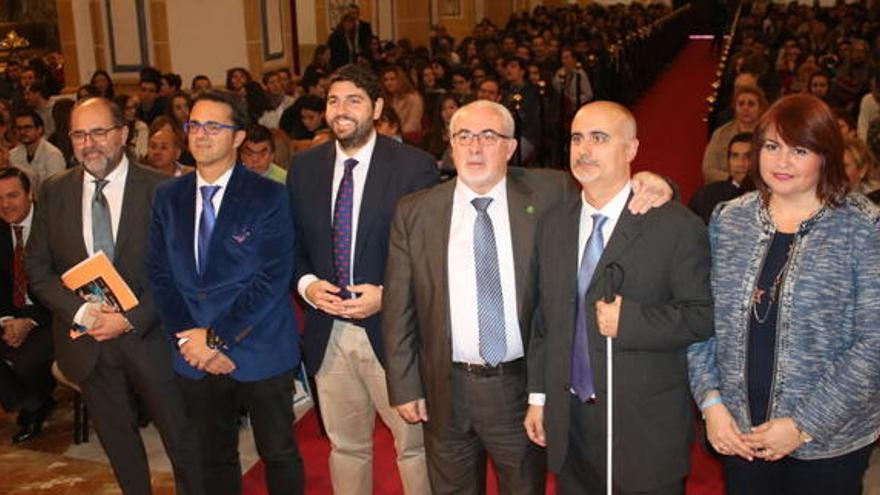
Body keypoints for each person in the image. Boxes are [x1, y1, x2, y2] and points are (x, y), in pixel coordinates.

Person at [688, 93, 880, 495]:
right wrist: (711, 403)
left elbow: (873, 344)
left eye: (800, 149)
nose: (782, 162)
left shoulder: (863, 227)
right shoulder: (729, 220)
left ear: (825, 155)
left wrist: (803, 425)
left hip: (829, 442)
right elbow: (700, 320)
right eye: (772, 147)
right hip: (741, 433)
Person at [525, 101, 713, 495]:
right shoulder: (553, 225)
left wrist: (631, 322)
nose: (583, 150)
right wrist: (539, 397)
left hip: (643, 433)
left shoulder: (676, 227)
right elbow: (545, 322)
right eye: (577, 138)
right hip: (571, 426)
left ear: (631, 150)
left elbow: (704, 316)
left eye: (599, 138)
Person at [25, 96, 203, 495]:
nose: (90, 144)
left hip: (151, 337)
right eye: (79, 134)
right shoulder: (54, 191)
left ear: (123, 134)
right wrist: (84, 313)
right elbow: (38, 269)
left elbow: (182, 272)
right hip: (89, 343)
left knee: (183, 441)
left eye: (99, 132)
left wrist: (130, 318)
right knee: (120, 445)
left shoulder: (164, 190)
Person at [288, 63, 437, 495]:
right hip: (328, 330)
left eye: (353, 99)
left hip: (393, 331)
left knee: (413, 449)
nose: (341, 110)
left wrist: (388, 297)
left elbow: (431, 256)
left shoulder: (414, 167)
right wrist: (307, 286)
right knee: (346, 446)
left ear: (375, 107)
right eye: (333, 101)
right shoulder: (305, 168)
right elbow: (292, 246)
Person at [148, 90, 304, 495]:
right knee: (213, 456)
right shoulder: (168, 196)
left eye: (213, 126)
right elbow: (160, 274)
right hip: (193, 350)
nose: (201, 135)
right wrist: (190, 337)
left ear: (237, 137)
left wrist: (217, 338)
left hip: (259, 344)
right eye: (194, 125)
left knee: (279, 452)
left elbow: (272, 278)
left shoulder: (269, 195)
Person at [0, 167, 54, 443]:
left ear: (30, 194)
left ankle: (35, 404)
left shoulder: (52, 226)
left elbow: (65, 284)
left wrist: (30, 321)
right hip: (14, 310)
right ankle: (32, 401)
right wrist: (7, 318)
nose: (5, 204)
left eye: (12, 196)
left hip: (52, 313)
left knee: (25, 359)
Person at [703, 85, 766, 183]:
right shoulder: (720, 134)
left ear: (761, 108)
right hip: (726, 186)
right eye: (741, 104)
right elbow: (708, 169)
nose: (745, 108)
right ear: (734, 107)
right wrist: (733, 181)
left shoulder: (768, 134)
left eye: (751, 104)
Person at [689, 132, 753, 224]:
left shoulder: (771, 197)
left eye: (748, 156)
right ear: (728, 161)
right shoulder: (706, 195)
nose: (741, 163)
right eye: (735, 156)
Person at [9, 109, 65, 193]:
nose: (23, 132)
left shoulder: (53, 154)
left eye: (28, 127)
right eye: (19, 128)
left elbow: (55, 189)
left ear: (39, 129)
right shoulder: (12, 154)